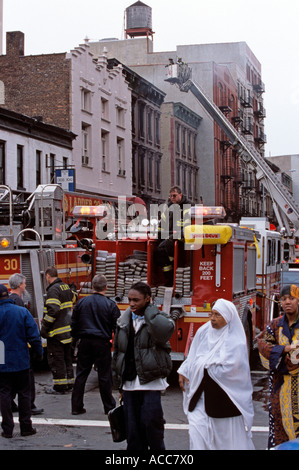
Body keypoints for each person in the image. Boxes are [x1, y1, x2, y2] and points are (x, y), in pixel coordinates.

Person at [177, 298, 255, 450]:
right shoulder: (204, 332)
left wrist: (202, 366)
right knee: (197, 434)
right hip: (199, 398)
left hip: (224, 403)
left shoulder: (235, 341)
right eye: (211, 314)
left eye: (217, 315)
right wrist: (184, 369)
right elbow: (193, 355)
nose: (212, 318)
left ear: (227, 317)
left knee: (226, 443)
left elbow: (229, 369)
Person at [112, 281, 175, 450]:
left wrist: (151, 313)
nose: (131, 303)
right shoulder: (123, 322)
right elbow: (118, 351)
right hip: (129, 385)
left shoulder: (159, 319)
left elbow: (164, 332)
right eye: (130, 299)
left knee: (152, 428)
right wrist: (118, 381)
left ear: (148, 299)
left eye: (136, 300)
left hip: (150, 383)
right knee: (133, 433)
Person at [71, 274, 120, 415]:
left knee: (81, 374)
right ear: (106, 287)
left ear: (92, 286)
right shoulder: (111, 305)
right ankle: (109, 407)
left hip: (85, 342)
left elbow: (74, 324)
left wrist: (75, 340)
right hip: (102, 343)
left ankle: (76, 406)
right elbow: (116, 328)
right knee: (104, 376)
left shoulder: (81, 303)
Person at [257, 284, 299, 449]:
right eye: (283, 299)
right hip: (279, 387)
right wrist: (284, 350)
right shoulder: (275, 325)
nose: (287, 302)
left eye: (292, 298)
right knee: (279, 430)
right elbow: (262, 345)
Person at [0, 284, 43, 438]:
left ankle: (7, 429)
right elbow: (34, 336)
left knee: (4, 393)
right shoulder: (22, 312)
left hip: (2, 359)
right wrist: (39, 353)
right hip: (21, 359)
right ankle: (26, 427)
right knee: (24, 393)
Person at [8, 273, 44, 415]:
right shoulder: (18, 303)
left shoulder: (10, 301)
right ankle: (29, 405)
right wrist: (37, 350)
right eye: (24, 283)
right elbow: (29, 330)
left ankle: (9, 402)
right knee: (27, 379)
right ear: (19, 285)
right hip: (20, 348)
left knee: (7, 380)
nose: (25, 285)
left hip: (6, 349)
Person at [40, 266, 76, 394]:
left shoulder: (53, 290)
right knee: (67, 359)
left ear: (48, 276)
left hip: (56, 333)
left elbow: (53, 310)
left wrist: (44, 327)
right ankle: (69, 383)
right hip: (67, 331)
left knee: (57, 360)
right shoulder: (65, 286)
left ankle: (60, 386)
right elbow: (73, 299)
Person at [154, 186, 191, 286]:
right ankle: (170, 277)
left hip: (183, 239)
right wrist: (158, 238)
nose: (172, 198)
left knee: (161, 250)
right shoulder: (169, 207)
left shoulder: (189, 206)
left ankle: (171, 279)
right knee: (159, 252)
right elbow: (162, 224)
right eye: (170, 196)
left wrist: (176, 236)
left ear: (180, 195)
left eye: (174, 196)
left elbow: (188, 226)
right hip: (171, 238)